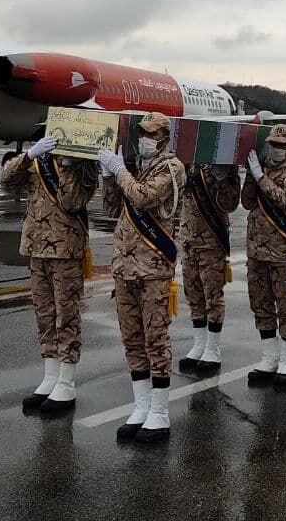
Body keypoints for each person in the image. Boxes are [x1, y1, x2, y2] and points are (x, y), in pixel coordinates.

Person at [97, 112, 187, 444]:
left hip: (153, 269)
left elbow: (144, 197)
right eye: (142, 133)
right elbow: (110, 208)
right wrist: (108, 176)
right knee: (132, 339)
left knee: (155, 339)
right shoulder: (136, 169)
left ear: (164, 136)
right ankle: (141, 406)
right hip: (125, 267)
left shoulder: (172, 168)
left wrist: (120, 171)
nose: (144, 138)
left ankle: (160, 413)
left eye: (151, 133)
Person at [2, 136, 99, 416]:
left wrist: (69, 165)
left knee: (65, 315)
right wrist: (30, 154)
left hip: (65, 248)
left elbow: (71, 202)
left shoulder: (83, 165)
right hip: (36, 245)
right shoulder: (38, 159)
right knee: (44, 313)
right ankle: (50, 376)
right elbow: (8, 178)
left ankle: (66, 383)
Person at [242, 123, 286, 390]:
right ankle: (269, 357)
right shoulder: (264, 165)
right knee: (260, 302)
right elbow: (247, 202)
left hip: (281, 248)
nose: (275, 148)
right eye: (272, 143)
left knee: (285, 304)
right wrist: (251, 174)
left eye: (281, 145)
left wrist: (260, 177)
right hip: (256, 247)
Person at [178, 162, 242, 376]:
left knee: (212, 296)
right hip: (189, 240)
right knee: (193, 294)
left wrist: (222, 178)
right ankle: (199, 344)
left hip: (211, 241)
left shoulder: (225, 166)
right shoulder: (189, 164)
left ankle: (213, 348)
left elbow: (231, 204)